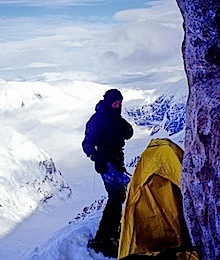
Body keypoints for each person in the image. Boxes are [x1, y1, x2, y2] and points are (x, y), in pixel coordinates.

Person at [82, 89, 133, 258]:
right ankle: (104, 239)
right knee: (116, 197)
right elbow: (87, 143)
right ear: (108, 102)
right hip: (107, 163)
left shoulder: (115, 117)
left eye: (119, 103)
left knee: (118, 197)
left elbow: (128, 130)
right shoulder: (98, 120)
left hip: (116, 160)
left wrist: (124, 133)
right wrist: (96, 157)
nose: (117, 105)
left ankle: (109, 234)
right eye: (115, 103)